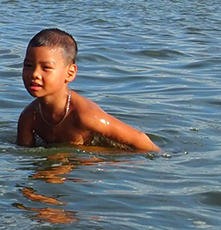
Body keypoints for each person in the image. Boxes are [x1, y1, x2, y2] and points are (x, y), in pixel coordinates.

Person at [16, 28, 159, 151]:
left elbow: (141, 140)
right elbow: (24, 154)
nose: (34, 74)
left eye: (46, 68)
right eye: (28, 65)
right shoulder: (29, 117)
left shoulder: (85, 115)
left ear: (70, 73)